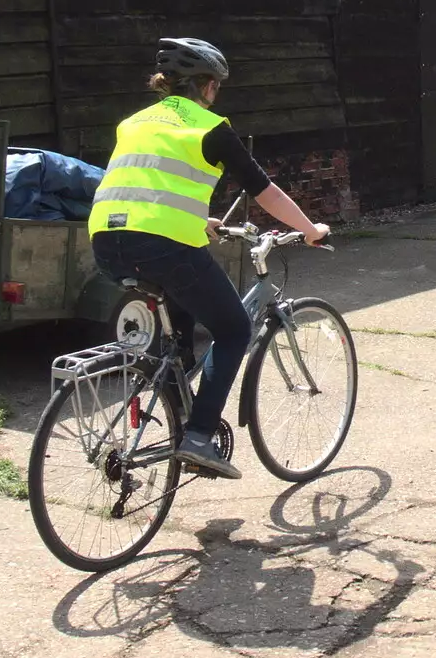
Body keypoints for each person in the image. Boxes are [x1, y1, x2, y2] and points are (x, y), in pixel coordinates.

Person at [88, 38, 329, 480]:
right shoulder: (209, 126)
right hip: (164, 247)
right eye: (216, 86)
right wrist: (310, 229)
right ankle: (198, 437)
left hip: (107, 241)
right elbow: (264, 190)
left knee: (179, 337)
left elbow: (146, 184)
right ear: (208, 86)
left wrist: (200, 217)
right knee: (234, 327)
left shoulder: (133, 123)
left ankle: (176, 416)